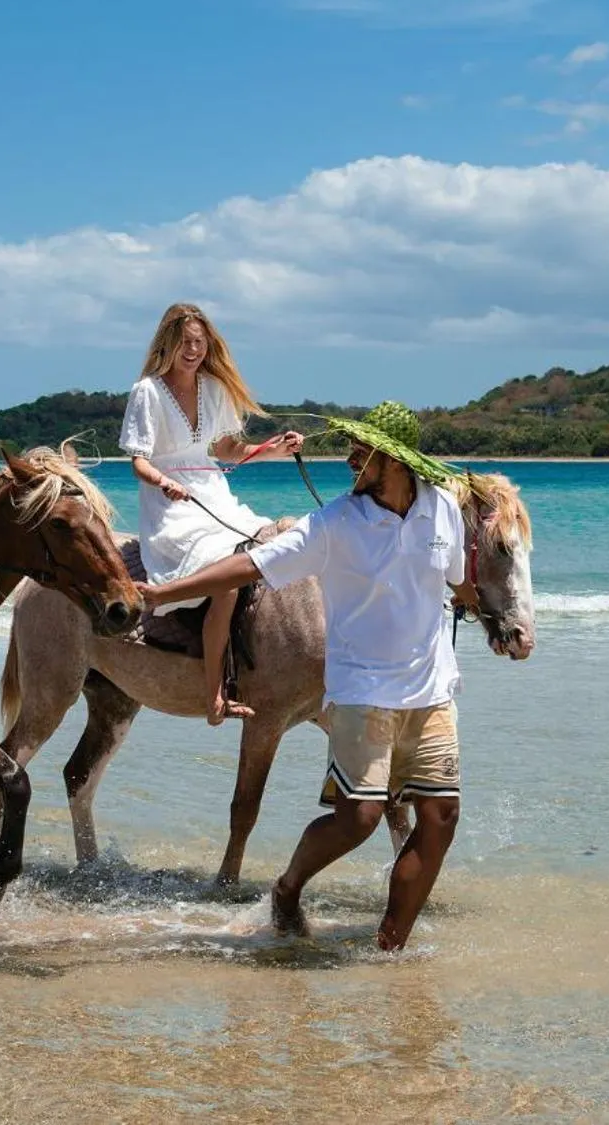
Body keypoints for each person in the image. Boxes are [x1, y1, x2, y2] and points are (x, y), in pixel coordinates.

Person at [138, 401, 474, 951]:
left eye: (361, 452)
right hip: (363, 691)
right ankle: (288, 887)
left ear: (393, 460)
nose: (350, 460)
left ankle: (391, 948)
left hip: (432, 692)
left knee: (441, 817)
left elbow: (457, 580)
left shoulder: (442, 510)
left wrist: (495, 615)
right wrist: (163, 592)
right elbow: (252, 565)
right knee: (360, 818)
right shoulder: (336, 523)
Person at [119, 303, 302, 725]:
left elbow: (227, 451)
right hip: (169, 504)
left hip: (213, 493)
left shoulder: (213, 389)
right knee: (227, 578)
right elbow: (139, 461)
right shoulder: (147, 391)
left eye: (200, 342)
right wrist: (163, 482)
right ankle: (214, 692)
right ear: (167, 344)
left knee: (268, 550)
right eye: (185, 342)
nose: (193, 350)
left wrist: (274, 449)